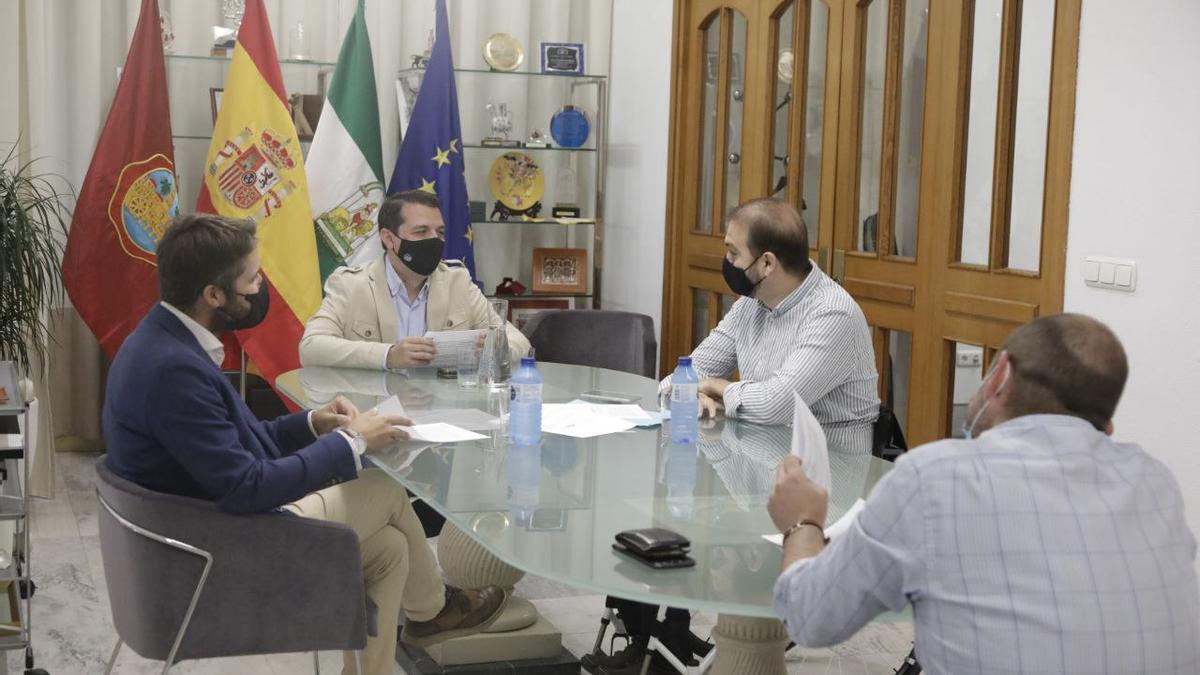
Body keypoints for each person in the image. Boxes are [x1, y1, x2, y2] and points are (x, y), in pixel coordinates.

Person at [103, 214, 508, 675]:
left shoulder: (163, 341)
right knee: (384, 490)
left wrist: (314, 423)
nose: (261, 287)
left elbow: (236, 441)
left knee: (391, 550)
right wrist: (353, 442)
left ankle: (393, 647)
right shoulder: (173, 369)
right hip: (215, 554)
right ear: (213, 295)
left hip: (203, 527)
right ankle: (432, 613)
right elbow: (248, 485)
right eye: (253, 278)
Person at [768, 313, 1200, 675]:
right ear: (1106, 425)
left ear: (1001, 374)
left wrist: (802, 522)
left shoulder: (934, 477)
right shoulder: (1154, 481)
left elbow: (810, 618)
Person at [658, 197, 879, 451]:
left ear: (767, 264)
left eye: (733, 253)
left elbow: (775, 405)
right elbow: (681, 379)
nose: (727, 262)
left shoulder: (833, 315)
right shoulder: (750, 304)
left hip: (828, 474)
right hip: (763, 460)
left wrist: (715, 386)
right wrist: (694, 394)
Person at [299, 189, 530, 371]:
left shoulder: (457, 283)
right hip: (373, 411)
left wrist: (494, 348)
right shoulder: (351, 285)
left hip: (442, 413)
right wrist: (389, 356)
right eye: (421, 232)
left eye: (439, 232)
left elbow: (519, 342)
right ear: (389, 239)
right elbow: (311, 348)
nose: (434, 240)